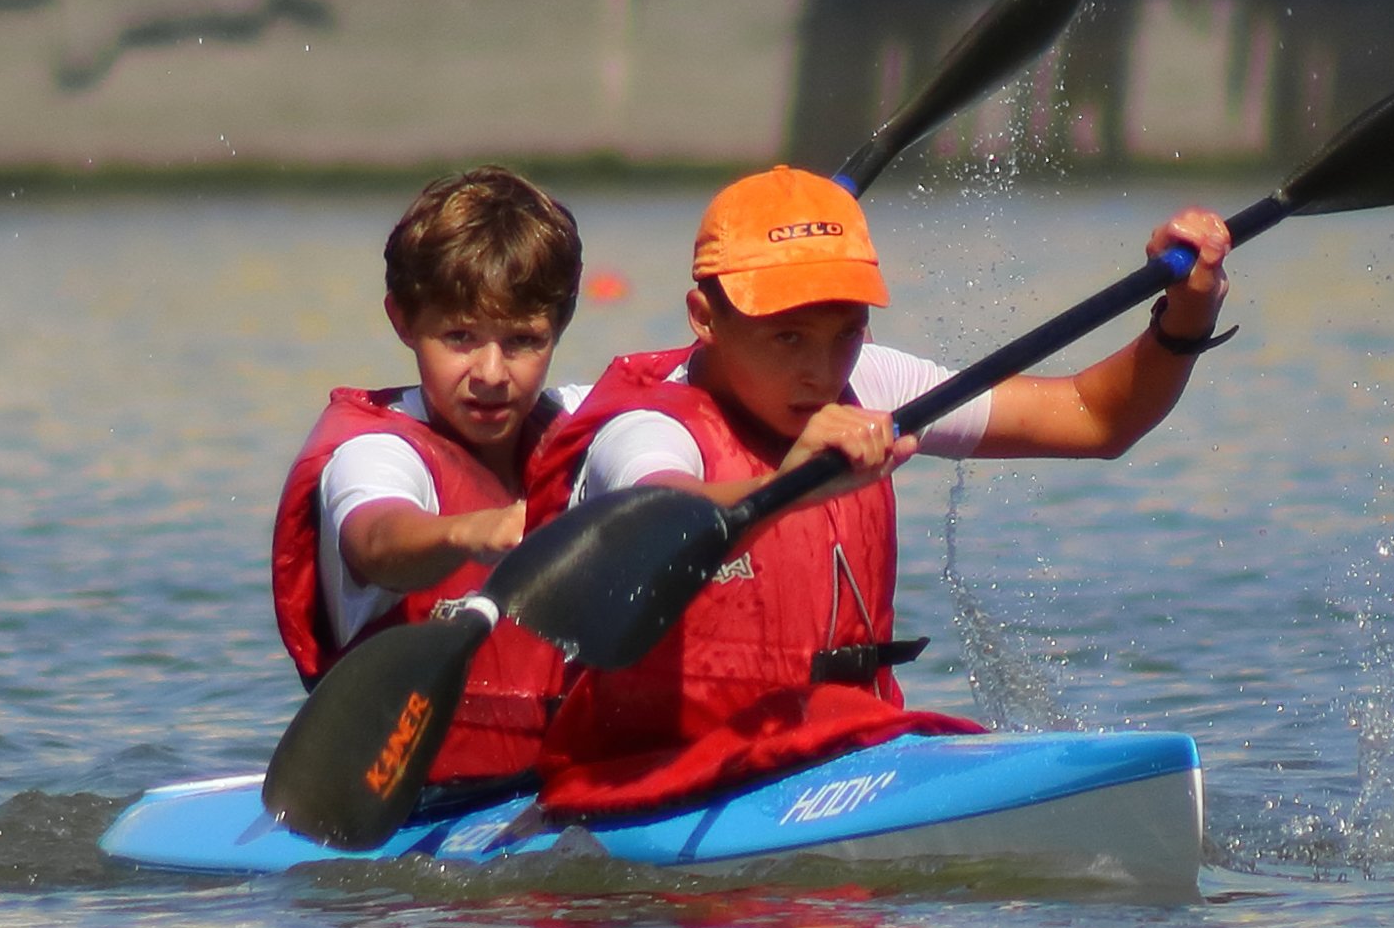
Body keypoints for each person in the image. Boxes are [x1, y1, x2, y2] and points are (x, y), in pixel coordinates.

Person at [524, 165, 1232, 817]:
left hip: (837, 749)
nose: (822, 370)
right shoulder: (647, 430)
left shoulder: (875, 383)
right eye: (788, 338)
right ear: (704, 317)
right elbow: (663, 524)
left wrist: (1185, 315)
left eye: (847, 333)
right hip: (656, 777)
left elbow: (1096, 417)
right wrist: (792, 481)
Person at [271, 165, 585, 785]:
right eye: (460, 337)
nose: (492, 373)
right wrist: (473, 532)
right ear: (404, 321)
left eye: (522, 340)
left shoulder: (585, 424)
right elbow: (379, 542)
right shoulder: (375, 454)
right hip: (413, 796)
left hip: (560, 776)